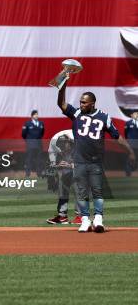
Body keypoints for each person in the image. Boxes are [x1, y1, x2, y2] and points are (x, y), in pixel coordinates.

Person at [57, 76, 135, 232]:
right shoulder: (77, 114)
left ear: (92, 103)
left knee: (97, 191)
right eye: (80, 102)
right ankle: (85, 219)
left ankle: (98, 218)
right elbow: (62, 104)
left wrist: (130, 150)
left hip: (95, 161)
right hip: (79, 160)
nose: (81, 104)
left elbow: (116, 136)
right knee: (81, 191)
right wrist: (63, 86)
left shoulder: (103, 117)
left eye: (84, 102)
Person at [45, 129, 82, 225]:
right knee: (62, 189)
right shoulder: (54, 141)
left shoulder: (79, 140)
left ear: (69, 141)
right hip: (66, 160)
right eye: (61, 145)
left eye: (65, 144)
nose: (63, 148)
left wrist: (72, 165)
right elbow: (51, 155)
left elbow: (85, 159)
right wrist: (56, 164)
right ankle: (62, 216)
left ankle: (80, 216)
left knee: (78, 189)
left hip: (79, 157)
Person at [22, 110, 45, 177]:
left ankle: (39, 174)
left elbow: (42, 133)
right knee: (29, 159)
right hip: (30, 144)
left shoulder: (41, 123)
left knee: (39, 160)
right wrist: (28, 141)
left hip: (39, 144)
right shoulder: (27, 123)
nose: (36, 115)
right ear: (32, 116)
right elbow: (23, 134)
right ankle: (27, 174)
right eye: (35, 114)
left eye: (37, 114)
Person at [124, 112, 138, 177]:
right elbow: (126, 133)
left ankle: (135, 170)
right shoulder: (128, 123)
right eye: (135, 114)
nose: (136, 115)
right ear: (131, 115)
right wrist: (128, 141)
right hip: (131, 144)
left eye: (137, 114)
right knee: (130, 158)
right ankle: (128, 173)